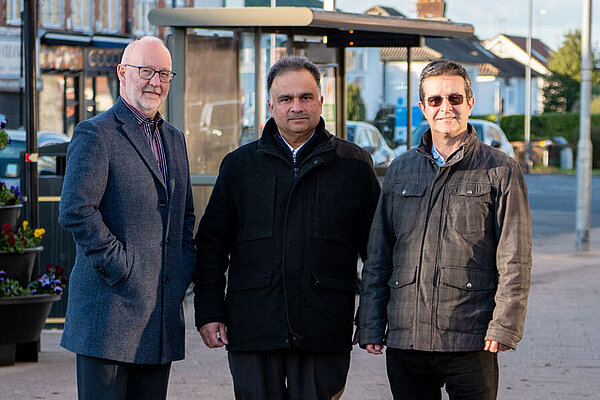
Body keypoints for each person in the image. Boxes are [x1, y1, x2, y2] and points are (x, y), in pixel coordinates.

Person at [193, 56, 380, 399]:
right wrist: (208, 312)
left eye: (306, 97)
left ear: (321, 101)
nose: (297, 106)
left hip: (324, 326)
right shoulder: (240, 167)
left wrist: (370, 317)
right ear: (270, 105)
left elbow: (378, 253)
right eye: (286, 99)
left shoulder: (353, 165)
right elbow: (211, 247)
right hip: (253, 327)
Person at [358, 59, 532, 400]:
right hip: (407, 339)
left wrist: (504, 325)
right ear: (422, 107)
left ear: (469, 102)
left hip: (471, 337)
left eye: (454, 98)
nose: (445, 108)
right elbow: (379, 255)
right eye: (435, 100)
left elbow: (515, 258)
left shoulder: (500, 170)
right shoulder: (400, 170)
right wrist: (370, 323)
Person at [58, 36, 196, 400]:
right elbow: (76, 210)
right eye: (146, 71)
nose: (156, 81)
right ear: (122, 72)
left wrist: (180, 271)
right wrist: (122, 267)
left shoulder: (175, 139)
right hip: (108, 316)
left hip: (159, 318)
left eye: (164, 73)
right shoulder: (95, 133)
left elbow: (185, 217)